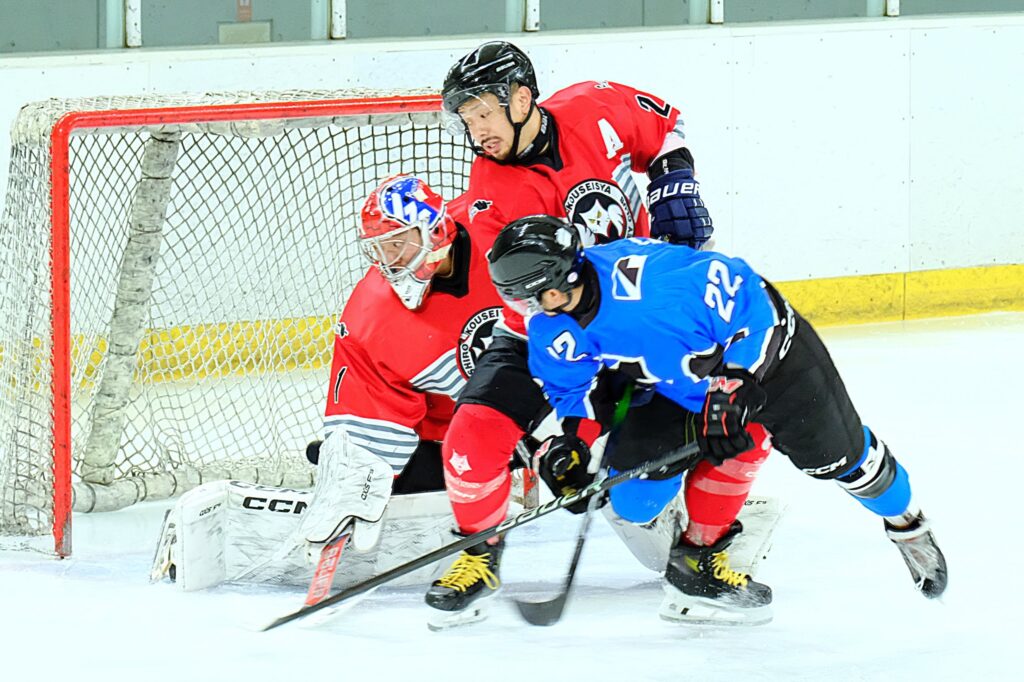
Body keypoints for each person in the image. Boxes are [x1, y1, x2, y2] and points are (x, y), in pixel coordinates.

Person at [487, 215, 949, 624]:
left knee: (841, 460)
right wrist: (574, 444)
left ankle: (907, 525)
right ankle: (695, 559)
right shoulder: (551, 325)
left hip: (775, 363)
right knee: (634, 499)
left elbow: (754, 303)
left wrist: (735, 385)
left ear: (553, 287)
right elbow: (572, 392)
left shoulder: (657, 288)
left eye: (527, 299)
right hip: (679, 385)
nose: (526, 310)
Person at [426, 39, 747, 626]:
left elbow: (665, 130)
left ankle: (703, 550)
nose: (477, 132)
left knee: (722, 420)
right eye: (467, 120)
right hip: (552, 329)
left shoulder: (596, 105)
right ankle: (479, 554)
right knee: (470, 438)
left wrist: (675, 183)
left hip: (643, 315)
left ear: (521, 98)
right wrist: (564, 433)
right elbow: (530, 309)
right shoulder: (491, 192)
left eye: (484, 113)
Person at [150, 175, 537, 592]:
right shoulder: (373, 316)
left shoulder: (494, 224)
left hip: (556, 392)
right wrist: (356, 465)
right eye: (380, 248)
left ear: (436, 229)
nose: (390, 260)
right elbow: (368, 407)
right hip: (460, 436)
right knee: (375, 486)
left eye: (398, 243)